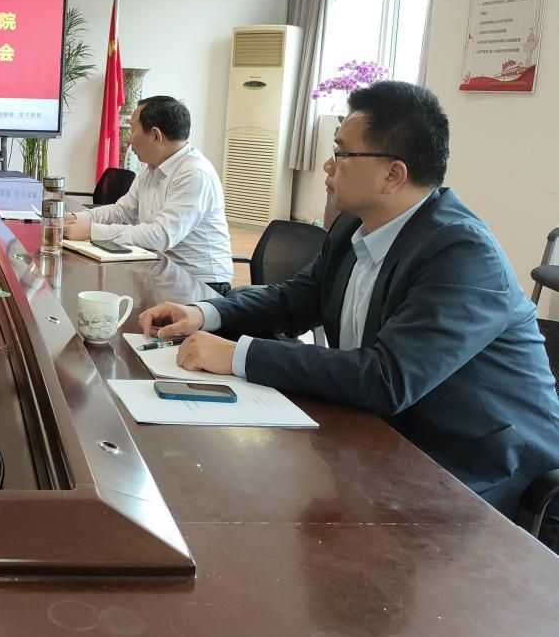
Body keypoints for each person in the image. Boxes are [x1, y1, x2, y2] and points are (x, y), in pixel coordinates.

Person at [139, 81, 559, 520]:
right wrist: (204, 313)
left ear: (393, 175)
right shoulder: (352, 228)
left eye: (340, 153)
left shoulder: (462, 253)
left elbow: (388, 377)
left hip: (479, 471)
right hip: (383, 440)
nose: (328, 165)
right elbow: (293, 300)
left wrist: (239, 355)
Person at [64, 95, 233, 290]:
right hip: (159, 270)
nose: (128, 139)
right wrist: (76, 218)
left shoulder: (194, 173)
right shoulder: (151, 168)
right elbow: (122, 212)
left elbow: (160, 236)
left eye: (133, 129)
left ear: (155, 136)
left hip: (200, 284)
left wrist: (91, 231)